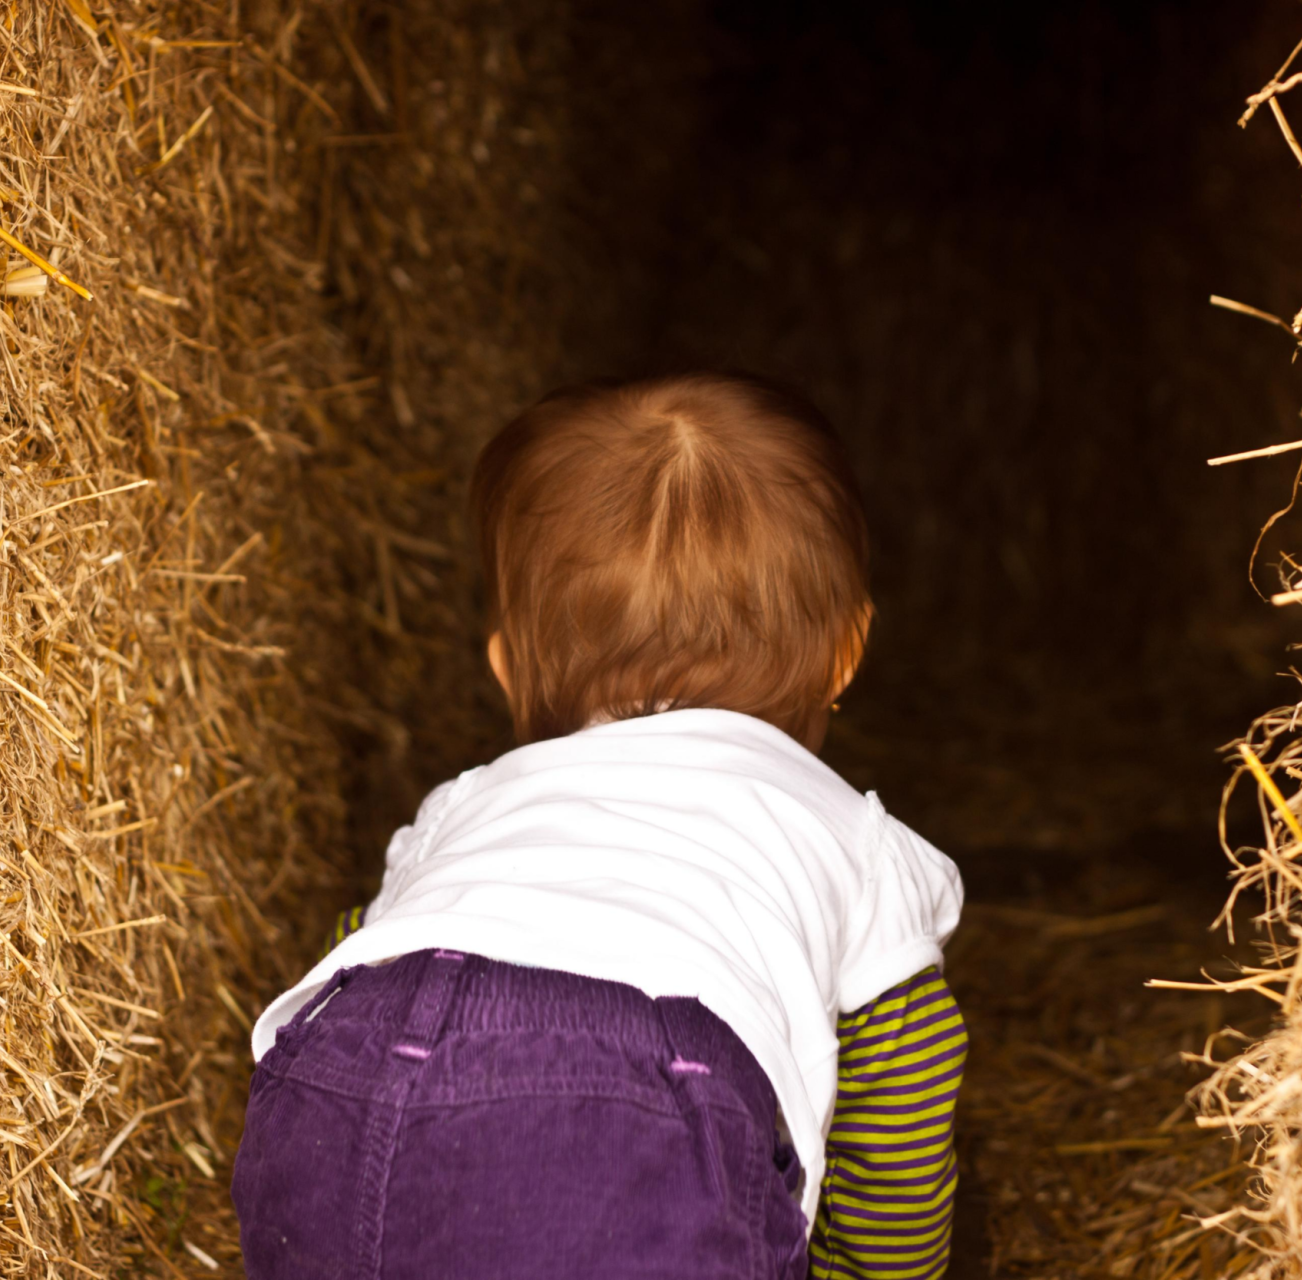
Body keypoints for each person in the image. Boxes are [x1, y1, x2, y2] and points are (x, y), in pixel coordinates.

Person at [233, 373, 966, 1279]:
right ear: (850, 651)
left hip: (327, 1099)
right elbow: (907, 1082)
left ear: (505, 668)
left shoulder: (465, 804)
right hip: (630, 1114)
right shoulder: (855, 843)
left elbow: (371, 946)